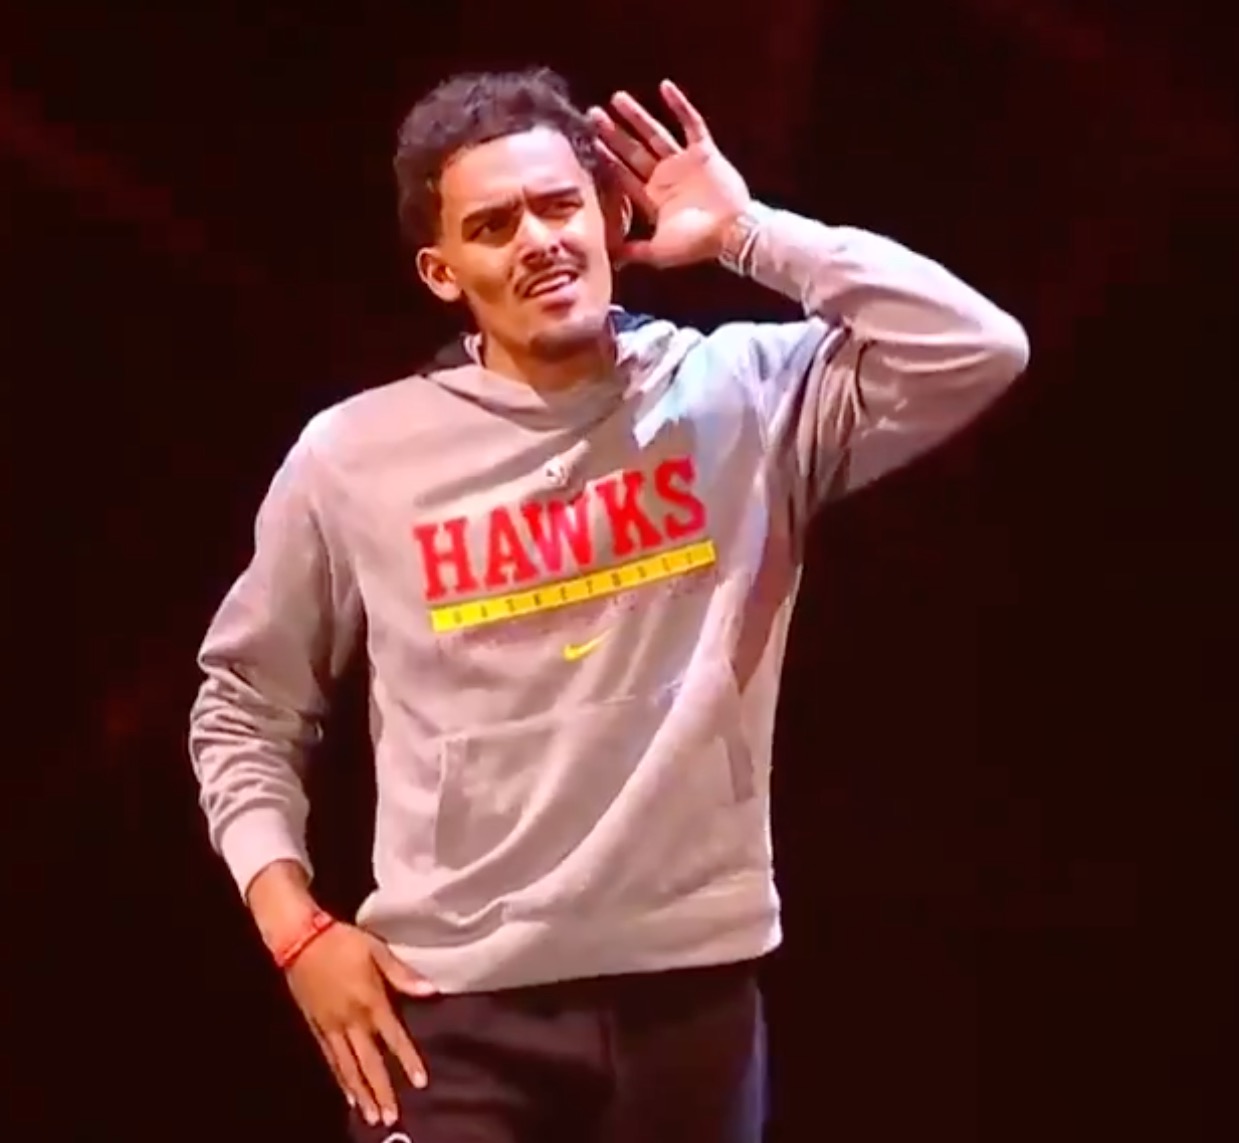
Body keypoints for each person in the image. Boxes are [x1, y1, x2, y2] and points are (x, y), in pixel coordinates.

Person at [188, 67, 1029, 1142]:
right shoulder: (354, 457)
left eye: (556, 204)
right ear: (442, 273)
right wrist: (295, 931)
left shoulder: (739, 395)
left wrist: (744, 231)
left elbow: (976, 348)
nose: (535, 239)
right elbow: (244, 707)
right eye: (493, 225)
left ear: (605, 217)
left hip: (690, 992)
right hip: (450, 1005)